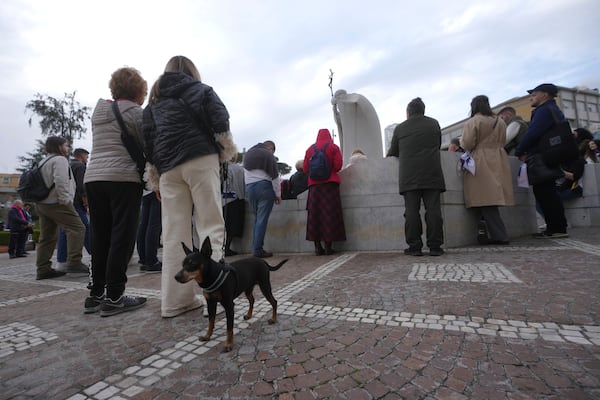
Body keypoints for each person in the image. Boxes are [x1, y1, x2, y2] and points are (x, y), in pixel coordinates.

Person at [143, 55, 236, 318]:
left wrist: (155, 177)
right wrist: (225, 148)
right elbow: (221, 120)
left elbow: (147, 144)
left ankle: (174, 302)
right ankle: (216, 296)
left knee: (173, 234)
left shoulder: (152, 105)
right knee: (210, 224)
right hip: (200, 158)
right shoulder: (202, 90)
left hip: (168, 169)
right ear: (192, 72)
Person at [84, 67, 148, 316]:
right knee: (122, 236)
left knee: (100, 236)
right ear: (138, 91)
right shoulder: (135, 112)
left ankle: (95, 294)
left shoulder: (99, 112)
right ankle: (115, 296)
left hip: (94, 178)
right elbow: (147, 143)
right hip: (123, 178)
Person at [386, 97, 445, 256]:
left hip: (409, 176)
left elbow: (393, 151)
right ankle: (435, 247)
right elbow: (438, 144)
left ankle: (415, 247)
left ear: (408, 112)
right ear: (423, 110)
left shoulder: (401, 128)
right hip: (432, 173)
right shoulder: (434, 123)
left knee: (411, 212)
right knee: (433, 211)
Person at [515, 83, 569, 238]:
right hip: (551, 154)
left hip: (542, 156)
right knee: (548, 192)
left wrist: (520, 150)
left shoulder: (544, 111)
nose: (531, 97)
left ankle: (557, 228)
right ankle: (556, 227)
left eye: (534, 94)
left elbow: (533, 133)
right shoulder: (554, 109)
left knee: (545, 193)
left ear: (544, 95)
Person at [460, 95, 514, 245]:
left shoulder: (474, 121)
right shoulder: (500, 121)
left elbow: (467, 143)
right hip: (498, 158)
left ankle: (499, 235)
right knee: (490, 197)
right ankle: (490, 233)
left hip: (481, 159)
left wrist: (461, 141)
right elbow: (503, 140)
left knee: (484, 198)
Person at [36, 136, 87, 279]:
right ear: (58, 147)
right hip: (57, 202)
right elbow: (60, 180)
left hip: (43, 203)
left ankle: (43, 268)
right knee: (78, 228)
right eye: (65, 145)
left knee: (47, 236)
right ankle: (74, 263)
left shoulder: (43, 160)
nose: (68, 148)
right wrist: (66, 201)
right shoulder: (60, 160)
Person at [303, 128, 346, 255]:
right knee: (330, 214)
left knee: (314, 216)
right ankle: (328, 247)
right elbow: (338, 166)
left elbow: (306, 169)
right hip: (330, 185)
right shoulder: (333, 147)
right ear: (329, 136)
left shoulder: (310, 149)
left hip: (314, 187)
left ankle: (317, 247)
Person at [243, 140, 281, 258]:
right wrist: (278, 194)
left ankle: (256, 248)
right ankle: (258, 250)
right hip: (264, 187)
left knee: (257, 219)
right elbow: (275, 176)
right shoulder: (267, 154)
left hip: (250, 188)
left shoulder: (248, 154)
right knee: (262, 220)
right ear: (270, 148)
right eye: (273, 151)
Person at [56, 148, 91, 270]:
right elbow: (82, 187)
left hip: (65, 202)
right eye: (86, 157)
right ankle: (95, 255)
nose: (87, 159)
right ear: (81, 156)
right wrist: (86, 204)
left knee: (64, 231)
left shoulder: (67, 165)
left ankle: (61, 261)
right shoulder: (80, 166)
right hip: (76, 203)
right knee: (84, 228)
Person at [222, 155, 245, 256]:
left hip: (222, 200)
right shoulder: (239, 169)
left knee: (224, 226)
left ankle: (223, 249)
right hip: (235, 200)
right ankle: (227, 248)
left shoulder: (220, 167)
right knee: (232, 226)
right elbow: (241, 185)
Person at [136, 189, 162, 272]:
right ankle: (152, 261)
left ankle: (143, 260)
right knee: (154, 225)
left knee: (144, 224)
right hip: (156, 188)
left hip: (145, 190)